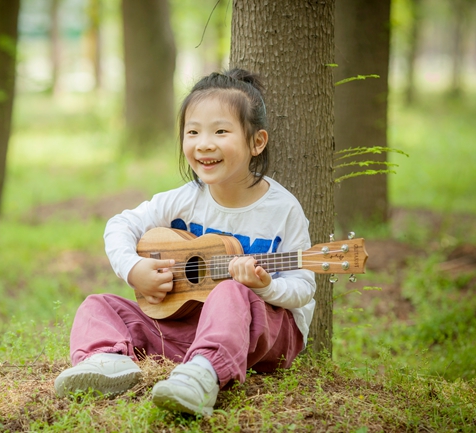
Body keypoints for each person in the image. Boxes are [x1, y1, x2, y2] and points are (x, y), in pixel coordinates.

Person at [54, 69, 316, 416]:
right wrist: (135, 270)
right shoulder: (184, 199)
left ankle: (203, 377)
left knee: (232, 291)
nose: (204, 143)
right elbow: (121, 225)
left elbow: (304, 285)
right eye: (193, 132)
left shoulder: (282, 209)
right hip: (187, 325)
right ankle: (107, 363)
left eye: (220, 131)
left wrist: (265, 287)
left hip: (266, 336)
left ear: (257, 142)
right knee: (98, 305)